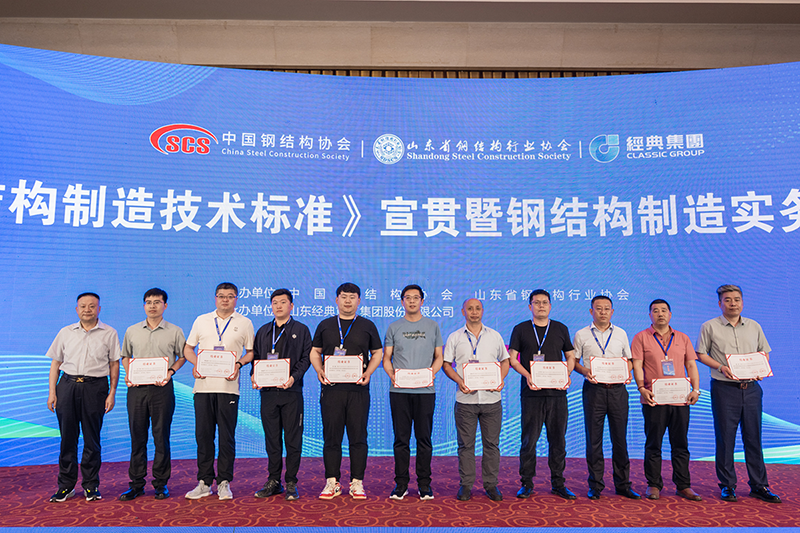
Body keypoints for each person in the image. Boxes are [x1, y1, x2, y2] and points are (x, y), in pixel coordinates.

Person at [695, 284, 781, 503]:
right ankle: (727, 485)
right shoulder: (709, 326)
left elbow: (764, 352)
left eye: (736, 299)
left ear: (742, 302)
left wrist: (761, 368)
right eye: (727, 300)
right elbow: (701, 354)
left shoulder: (754, 326)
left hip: (751, 389)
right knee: (726, 438)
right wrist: (720, 367)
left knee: (754, 438)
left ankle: (759, 486)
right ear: (720, 303)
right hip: (724, 389)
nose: (732, 303)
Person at [309, 282, 383, 500]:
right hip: (331, 390)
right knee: (331, 437)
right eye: (343, 296)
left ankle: (357, 481)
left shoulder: (367, 325)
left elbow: (377, 352)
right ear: (336, 299)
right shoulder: (325, 325)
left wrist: (368, 372)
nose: (347, 301)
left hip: (358, 390)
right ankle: (331, 481)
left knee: (358, 437)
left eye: (352, 297)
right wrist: (319, 370)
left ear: (359, 301)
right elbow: (315, 351)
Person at [46, 292, 120, 503]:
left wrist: (112, 393)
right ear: (77, 309)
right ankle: (65, 486)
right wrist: (52, 392)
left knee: (92, 439)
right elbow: (55, 363)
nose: (87, 309)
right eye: (83, 306)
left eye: (92, 306)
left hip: (95, 388)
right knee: (67, 438)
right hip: (67, 386)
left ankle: (91, 485)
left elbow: (114, 364)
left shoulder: (109, 333)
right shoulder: (65, 332)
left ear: (99, 309)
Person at [183, 282, 254, 500]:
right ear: (215, 298)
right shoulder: (201, 320)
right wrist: (196, 364)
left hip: (228, 389)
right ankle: (204, 482)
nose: (225, 300)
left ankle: (224, 482)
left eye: (230, 296)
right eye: (221, 296)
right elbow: (188, 348)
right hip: (203, 388)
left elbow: (251, 352)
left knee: (226, 437)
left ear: (236, 299)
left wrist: (238, 364)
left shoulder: (245, 323)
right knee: (203, 436)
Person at [508, 289, 576, 500]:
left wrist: (566, 374)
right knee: (529, 441)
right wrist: (528, 375)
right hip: (532, 394)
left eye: (545, 302)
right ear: (530, 306)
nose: (541, 306)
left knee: (558, 441)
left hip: (557, 394)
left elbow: (571, 356)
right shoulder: (520, 329)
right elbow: (512, 359)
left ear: (550, 306)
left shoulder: (560, 328)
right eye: (536, 303)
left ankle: (558, 483)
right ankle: (526, 483)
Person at [631, 299, 701, 501]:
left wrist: (696, 390)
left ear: (670, 314)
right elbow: (637, 366)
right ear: (650, 315)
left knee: (680, 444)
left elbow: (691, 365)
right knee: (653, 444)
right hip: (654, 398)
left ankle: (683, 485)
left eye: (664, 310)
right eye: (655, 311)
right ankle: (653, 484)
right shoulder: (640, 337)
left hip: (680, 398)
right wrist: (641, 388)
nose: (660, 314)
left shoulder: (683, 338)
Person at [119, 288, 186, 501]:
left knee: (161, 436)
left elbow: (183, 356)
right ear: (144, 305)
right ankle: (136, 484)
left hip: (162, 389)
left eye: (157, 302)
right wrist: (129, 374)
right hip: (137, 389)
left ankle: (160, 483)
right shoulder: (132, 330)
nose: (152, 306)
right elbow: (125, 356)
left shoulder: (174, 331)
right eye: (148, 302)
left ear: (165, 305)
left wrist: (170, 372)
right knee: (137, 437)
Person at [443, 298, 510, 502]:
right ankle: (466, 485)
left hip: (492, 399)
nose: (474, 312)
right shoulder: (455, 337)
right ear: (462, 311)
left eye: (478, 308)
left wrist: (500, 379)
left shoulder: (495, 336)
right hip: (465, 400)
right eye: (470, 308)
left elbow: (505, 360)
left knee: (492, 445)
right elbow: (446, 364)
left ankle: (491, 485)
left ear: (483, 311)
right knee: (465, 445)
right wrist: (459, 380)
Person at [573, 295, 639, 500]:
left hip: (618, 390)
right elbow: (574, 362)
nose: (603, 312)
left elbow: (629, 360)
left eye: (607, 308)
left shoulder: (621, 333)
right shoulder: (581, 334)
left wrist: (626, 371)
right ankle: (595, 485)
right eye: (598, 308)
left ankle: (623, 484)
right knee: (594, 439)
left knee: (620, 439)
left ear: (612, 311)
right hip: (594, 390)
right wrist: (585, 371)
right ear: (591, 311)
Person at [382, 284, 444, 500]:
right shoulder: (394, 327)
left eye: (415, 298)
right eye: (407, 298)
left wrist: (430, 373)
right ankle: (401, 484)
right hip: (399, 390)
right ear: (402, 302)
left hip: (425, 390)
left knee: (424, 439)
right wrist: (392, 375)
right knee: (401, 439)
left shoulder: (433, 326)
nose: (411, 301)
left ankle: (424, 485)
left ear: (422, 301)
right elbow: (386, 358)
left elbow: (439, 357)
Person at [251, 288, 312, 501]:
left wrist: (294, 377)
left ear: (291, 305)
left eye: (283, 302)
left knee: (293, 439)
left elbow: (306, 358)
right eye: (275, 302)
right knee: (272, 439)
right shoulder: (263, 331)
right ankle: (273, 481)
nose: (278, 306)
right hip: (268, 393)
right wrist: (254, 376)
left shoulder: (301, 329)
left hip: (291, 392)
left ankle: (291, 482)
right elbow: (256, 358)